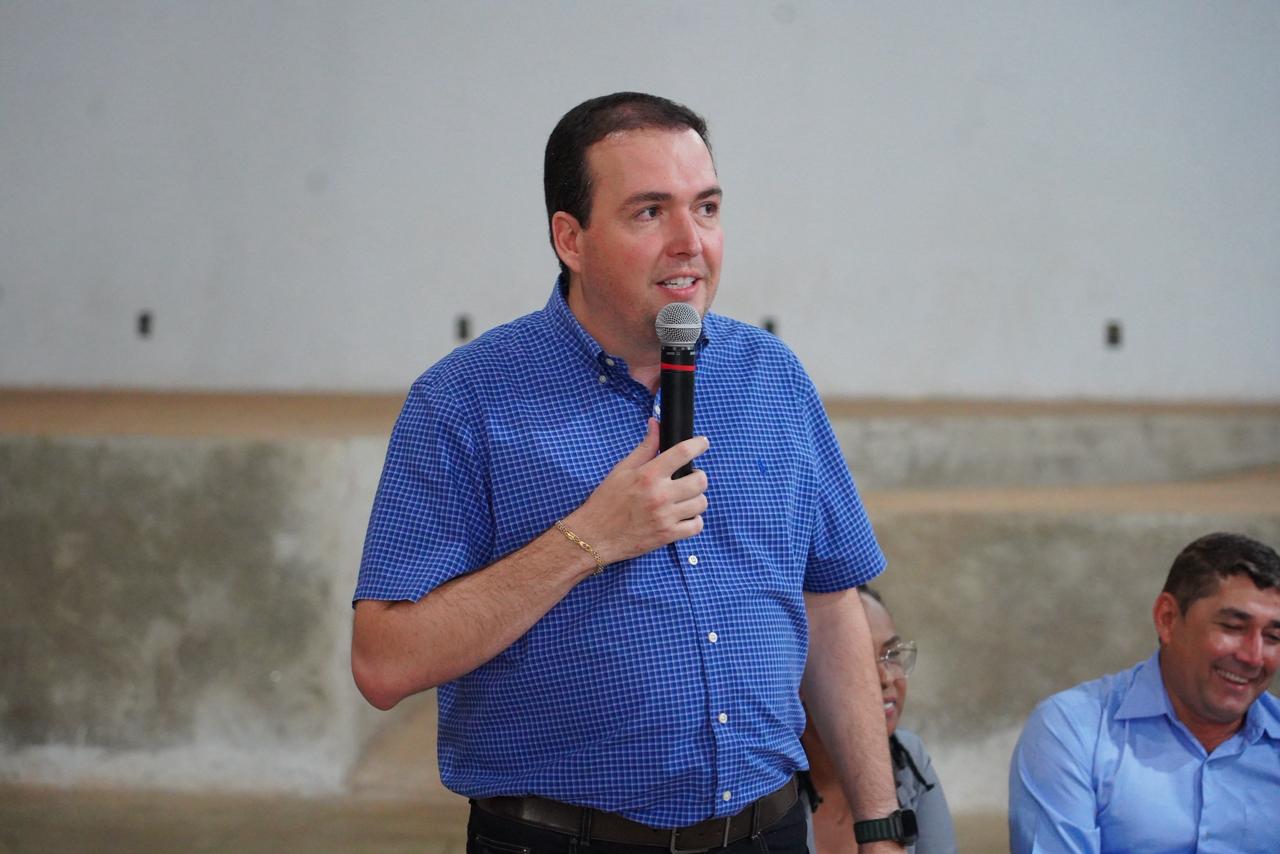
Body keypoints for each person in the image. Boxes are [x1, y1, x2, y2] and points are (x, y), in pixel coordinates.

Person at [350, 92, 911, 853]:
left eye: (706, 208)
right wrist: (589, 538)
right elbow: (383, 662)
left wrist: (880, 829)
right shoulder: (466, 401)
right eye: (650, 212)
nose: (690, 242)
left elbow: (829, 604)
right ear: (570, 239)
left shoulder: (770, 376)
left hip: (770, 832)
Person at [1008, 532, 1280, 854]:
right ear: (1167, 619)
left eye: (1273, 637)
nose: (1253, 656)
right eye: (1232, 627)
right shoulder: (1075, 730)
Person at [801, 587, 956, 854]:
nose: (886, 678)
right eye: (856, 663)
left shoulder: (907, 758)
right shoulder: (767, 785)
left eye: (892, 654)